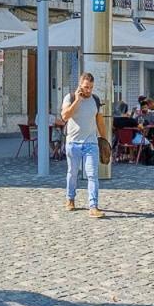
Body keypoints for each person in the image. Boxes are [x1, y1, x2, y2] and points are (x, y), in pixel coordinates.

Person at [60, 73, 104, 217]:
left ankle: (93, 206)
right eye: (86, 87)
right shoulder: (70, 97)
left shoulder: (95, 100)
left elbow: (99, 120)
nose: (89, 90)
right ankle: (70, 198)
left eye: (91, 87)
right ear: (80, 85)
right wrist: (77, 101)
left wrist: (104, 139)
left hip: (91, 143)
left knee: (92, 175)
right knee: (72, 173)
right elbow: (65, 116)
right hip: (73, 143)